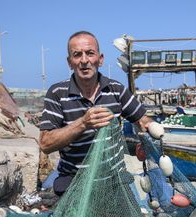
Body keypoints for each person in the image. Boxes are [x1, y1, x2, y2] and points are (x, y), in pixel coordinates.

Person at [39, 31, 151, 196]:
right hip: (74, 180)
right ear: (70, 62)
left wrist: (145, 138)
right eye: (77, 55)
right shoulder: (57, 93)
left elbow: (142, 120)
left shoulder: (116, 90)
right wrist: (83, 123)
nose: (84, 60)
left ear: (100, 59)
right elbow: (45, 144)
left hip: (114, 181)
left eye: (90, 53)